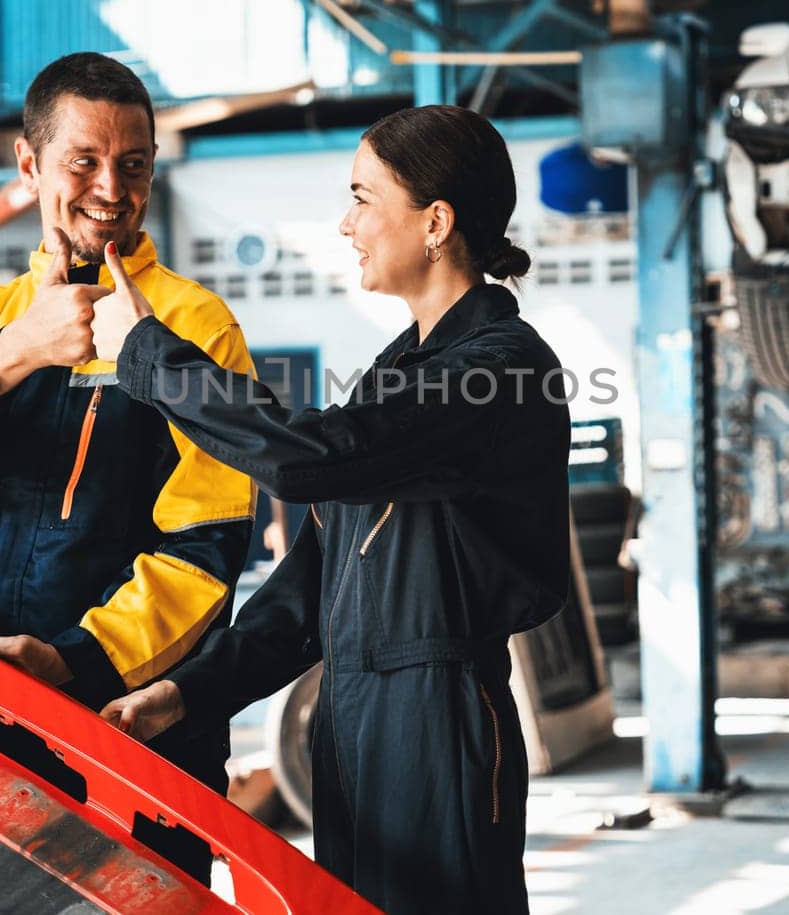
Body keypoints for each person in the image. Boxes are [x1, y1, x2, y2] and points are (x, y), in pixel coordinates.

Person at [90, 105, 573, 915]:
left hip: (438, 718)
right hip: (352, 715)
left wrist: (150, 355)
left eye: (362, 197)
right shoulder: (399, 371)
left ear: (436, 221)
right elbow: (308, 595)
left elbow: (309, 455)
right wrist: (192, 691)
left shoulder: (500, 370)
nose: (345, 223)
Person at [0, 52, 255, 884]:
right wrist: (16, 353)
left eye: (135, 163)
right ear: (29, 163)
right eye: (84, 160)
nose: (112, 187)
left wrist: (70, 657)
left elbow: (208, 546)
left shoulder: (195, 324)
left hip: (139, 729)